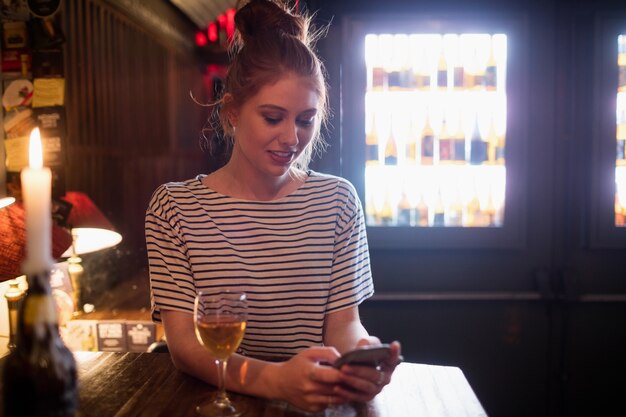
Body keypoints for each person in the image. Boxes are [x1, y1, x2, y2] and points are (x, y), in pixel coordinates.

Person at [145, 0, 402, 413]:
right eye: (272, 117)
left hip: (311, 404)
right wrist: (276, 380)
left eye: (305, 119)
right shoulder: (175, 208)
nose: (291, 138)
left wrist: (361, 355)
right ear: (231, 112)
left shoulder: (337, 200)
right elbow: (185, 348)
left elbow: (343, 324)